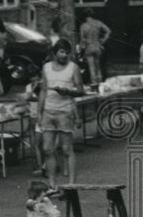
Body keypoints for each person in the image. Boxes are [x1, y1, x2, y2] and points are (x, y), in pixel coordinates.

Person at [38, 39, 84, 187]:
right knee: (47, 149)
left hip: (65, 111)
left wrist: (67, 91)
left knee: (67, 149)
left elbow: (81, 91)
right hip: (48, 112)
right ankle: (52, 185)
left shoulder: (73, 68)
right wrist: (39, 113)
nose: (65, 55)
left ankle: (71, 185)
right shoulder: (46, 67)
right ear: (54, 53)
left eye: (67, 52)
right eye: (62, 52)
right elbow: (43, 90)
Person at [78, 9, 111, 85]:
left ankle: (94, 84)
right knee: (98, 66)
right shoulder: (98, 23)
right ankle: (100, 83)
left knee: (91, 68)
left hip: (89, 48)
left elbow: (82, 40)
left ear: (84, 16)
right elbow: (108, 31)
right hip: (97, 46)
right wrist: (103, 40)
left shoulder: (83, 26)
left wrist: (79, 50)